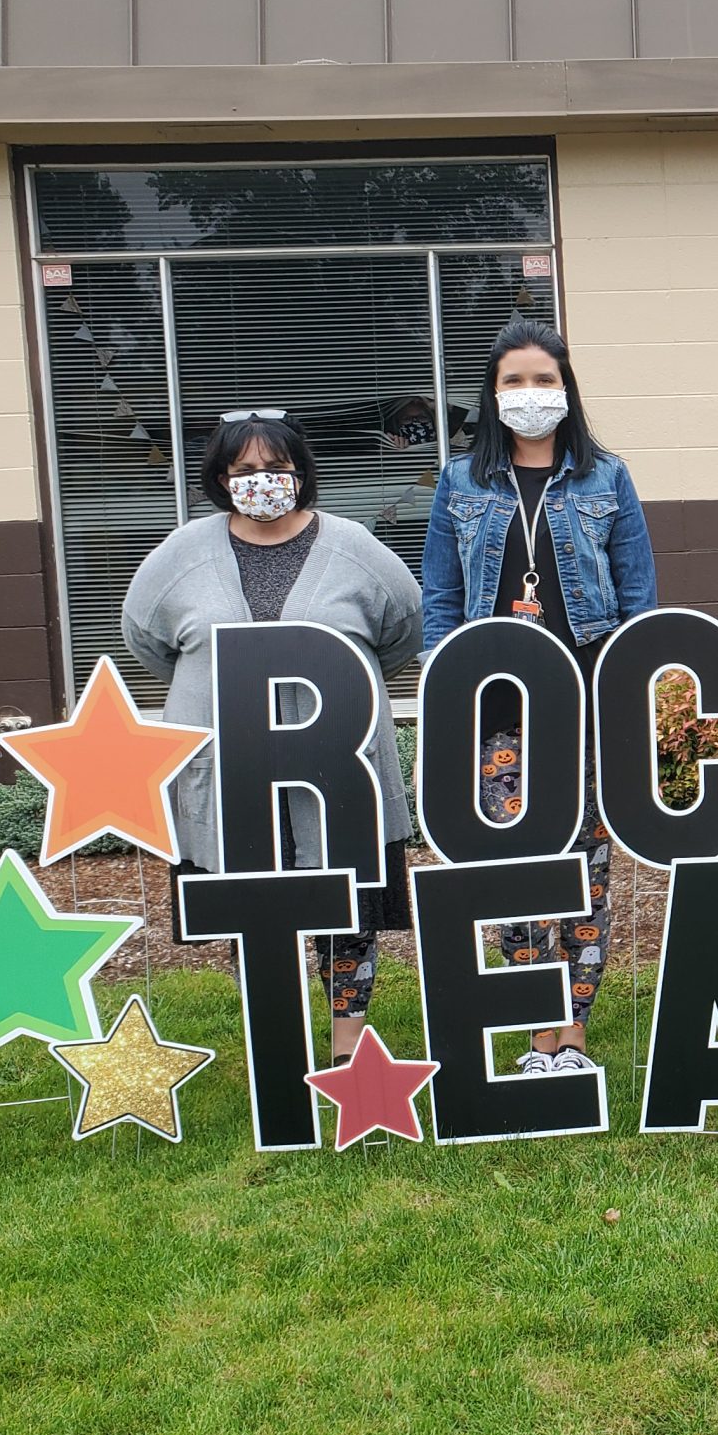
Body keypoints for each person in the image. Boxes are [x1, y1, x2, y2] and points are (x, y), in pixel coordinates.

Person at [123, 410, 422, 1071]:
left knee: (348, 901)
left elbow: (403, 627)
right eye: (247, 470)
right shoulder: (181, 554)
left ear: (300, 471)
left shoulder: (354, 548)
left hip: (335, 768)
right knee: (248, 901)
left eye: (277, 468)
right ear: (221, 477)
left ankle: (347, 1046)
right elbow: (146, 638)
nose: (263, 481)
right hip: (232, 769)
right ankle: (276, 1041)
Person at [422, 319, 658, 1073]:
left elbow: (638, 600)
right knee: (513, 871)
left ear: (567, 389)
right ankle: (536, 1033)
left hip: (584, 708)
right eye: (514, 381)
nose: (531, 393)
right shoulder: (461, 482)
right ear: (492, 395)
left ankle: (575, 1033)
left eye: (544, 379)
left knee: (587, 875)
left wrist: (630, 697)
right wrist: (445, 693)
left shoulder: (607, 478)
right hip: (495, 711)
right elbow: (441, 597)